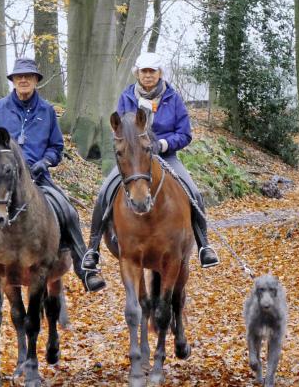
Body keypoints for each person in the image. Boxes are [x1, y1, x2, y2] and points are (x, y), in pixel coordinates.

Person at [0, 59, 106, 304]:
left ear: (35, 81)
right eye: (18, 77)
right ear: (13, 81)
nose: (23, 80)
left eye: (28, 76)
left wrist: (46, 161)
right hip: (3, 182)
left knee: (67, 210)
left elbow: (56, 146)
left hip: (38, 179)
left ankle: (85, 269)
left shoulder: (47, 111)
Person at [81, 51, 220, 271]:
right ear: (137, 73)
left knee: (193, 191)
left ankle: (205, 245)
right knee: (104, 192)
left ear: (160, 73)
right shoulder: (127, 97)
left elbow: (184, 133)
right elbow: (119, 130)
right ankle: (93, 249)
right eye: (144, 71)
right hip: (134, 160)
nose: (148, 75)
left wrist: (163, 144)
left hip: (166, 156)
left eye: (152, 71)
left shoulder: (173, 98)